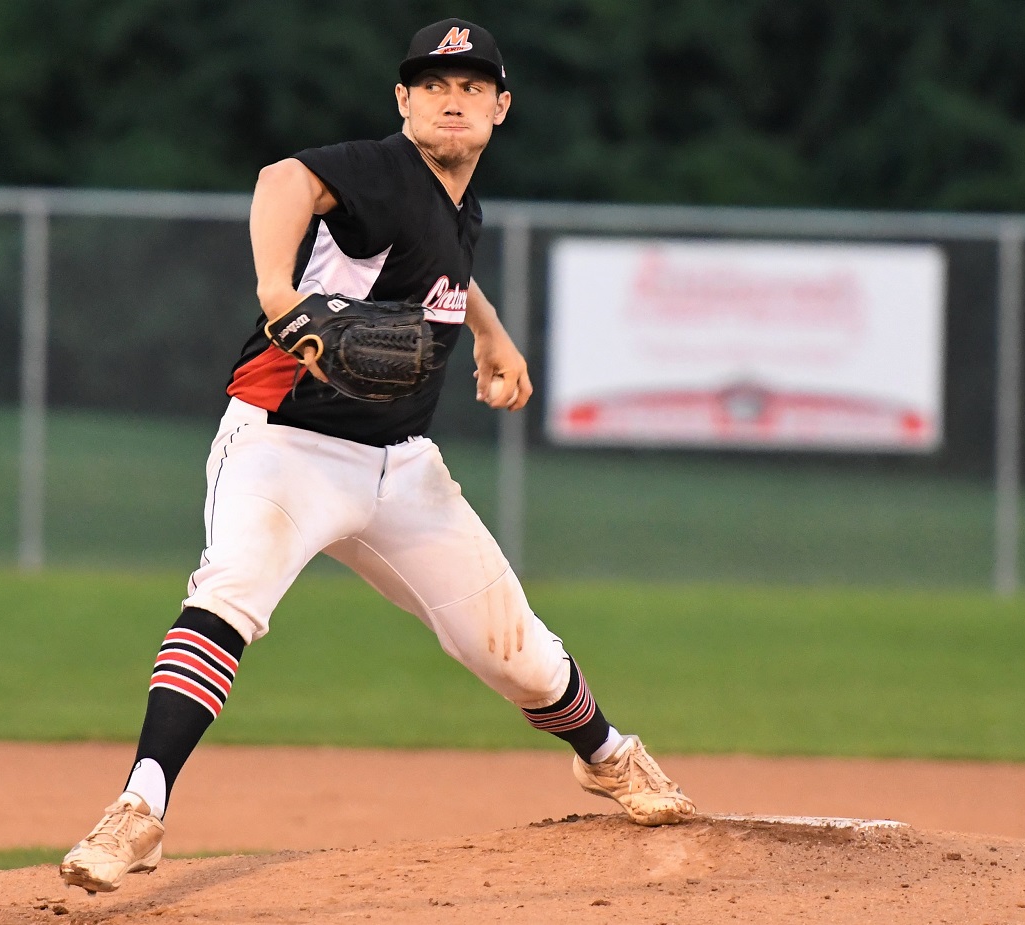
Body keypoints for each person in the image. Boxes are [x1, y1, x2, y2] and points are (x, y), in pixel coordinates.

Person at [60, 17, 695, 894]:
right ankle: (140, 807)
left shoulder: (454, 201)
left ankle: (606, 755)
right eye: (433, 83)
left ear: (500, 108)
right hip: (286, 441)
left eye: (472, 85)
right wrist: (277, 290)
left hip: (401, 466)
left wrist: (491, 334)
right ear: (403, 100)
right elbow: (281, 178)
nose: (451, 98)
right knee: (227, 596)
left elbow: (442, 275)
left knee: (517, 653)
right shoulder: (382, 168)